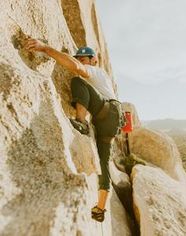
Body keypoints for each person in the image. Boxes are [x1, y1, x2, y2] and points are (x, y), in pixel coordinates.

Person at [25, 38, 123, 222]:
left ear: (94, 60)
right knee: (103, 165)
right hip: (109, 122)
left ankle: (81, 122)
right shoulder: (102, 80)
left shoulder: (96, 71)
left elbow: (77, 69)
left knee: (78, 81)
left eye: (84, 59)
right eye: (79, 58)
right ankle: (100, 209)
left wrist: (45, 48)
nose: (81, 62)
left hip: (108, 112)